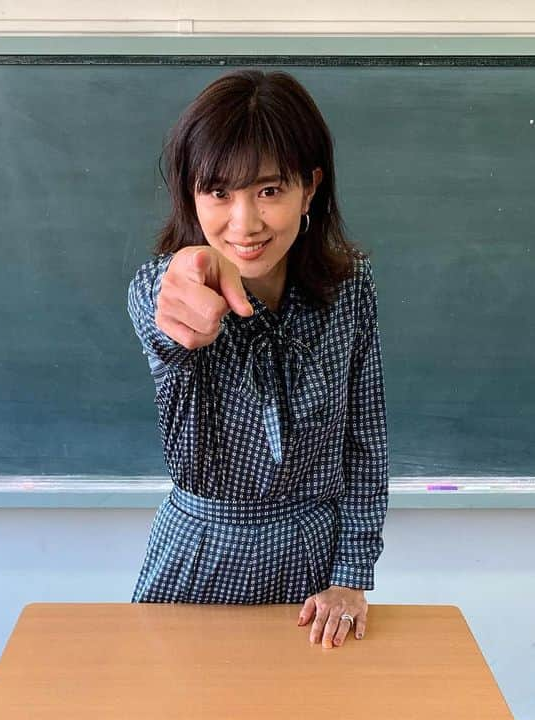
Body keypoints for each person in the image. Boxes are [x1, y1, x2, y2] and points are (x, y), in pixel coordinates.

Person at [126, 68, 388, 649]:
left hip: (311, 564)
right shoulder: (169, 286)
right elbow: (163, 311)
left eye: (269, 191)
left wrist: (351, 576)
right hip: (199, 554)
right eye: (218, 192)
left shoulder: (351, 287)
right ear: (192, 196)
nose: (243, 224)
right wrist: (183, 287)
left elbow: (365, 442)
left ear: (310, 187)